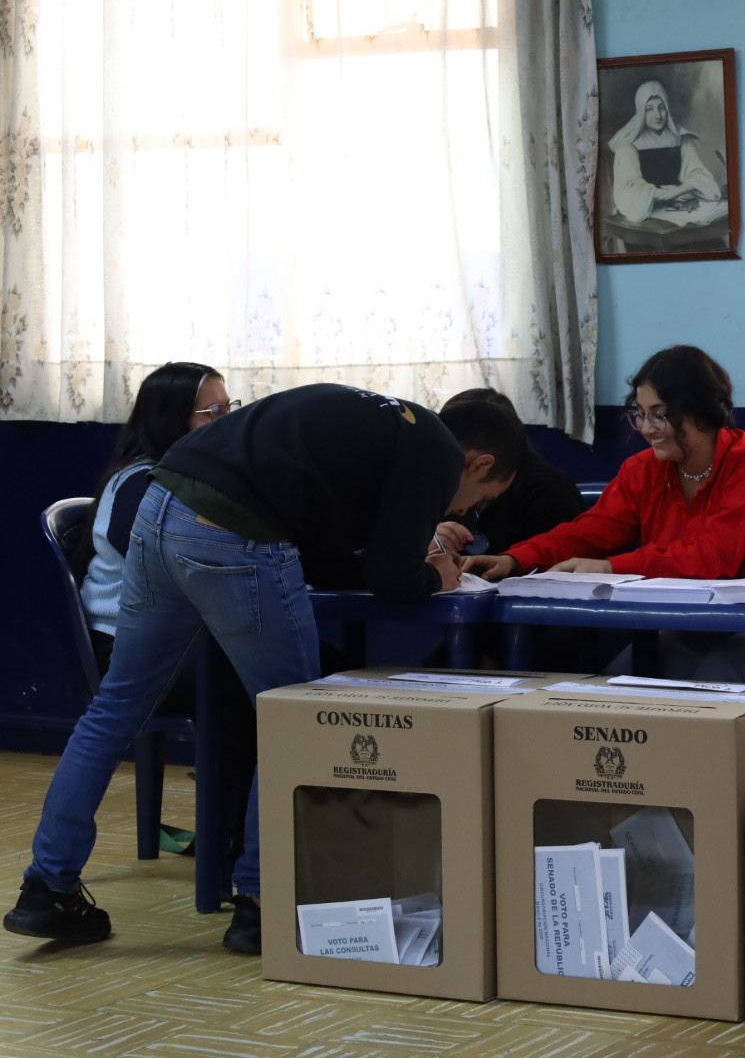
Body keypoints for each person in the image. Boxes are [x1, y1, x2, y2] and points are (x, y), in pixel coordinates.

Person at [4, 384, 526, 955]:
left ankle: (46, 887)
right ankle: (260, 901)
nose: (463, 511)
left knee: (114, 710)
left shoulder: (387, 423)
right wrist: (436, 577)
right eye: (477, 498)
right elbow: (394, 579)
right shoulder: (437, 453)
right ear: (480, 462)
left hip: (162, 503)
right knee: (291, 722)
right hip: (234, 530)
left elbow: (333, 546)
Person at [461, 345, 745, 681]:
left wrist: (610, 567)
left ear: (701, 413)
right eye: (640, 414)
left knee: (706, 688)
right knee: (612, 692)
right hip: (690, 626)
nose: (647, 429)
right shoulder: (644, 469)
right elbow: (591, 531)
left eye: (660, 416)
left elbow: (712, 558)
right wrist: (514, 558)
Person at [77, 362, 237, 672]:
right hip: (128, 647)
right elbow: (181, 570)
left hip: (176, 639)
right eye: (215, 411)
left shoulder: (195, 478)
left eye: (230, 408)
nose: (228, 422)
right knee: (275, 680)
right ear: (171, 421)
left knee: (313, 663)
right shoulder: (142, 485)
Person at [432, 388, 586, 558]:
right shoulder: (438, 479)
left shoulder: (548, 488)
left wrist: (511, 562)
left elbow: (562, 555)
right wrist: (432, 539)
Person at [608, 81, 725, 227]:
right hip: (648, 214)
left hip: (679, 207)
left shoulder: (682, 139)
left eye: (661, 108)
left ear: (667, 109)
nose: (657, 115)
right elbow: (629, 191)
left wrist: (678, 191)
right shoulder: (627, 147)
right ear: (641, 111)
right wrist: (665, 195)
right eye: (649, 109)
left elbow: (700, 175)